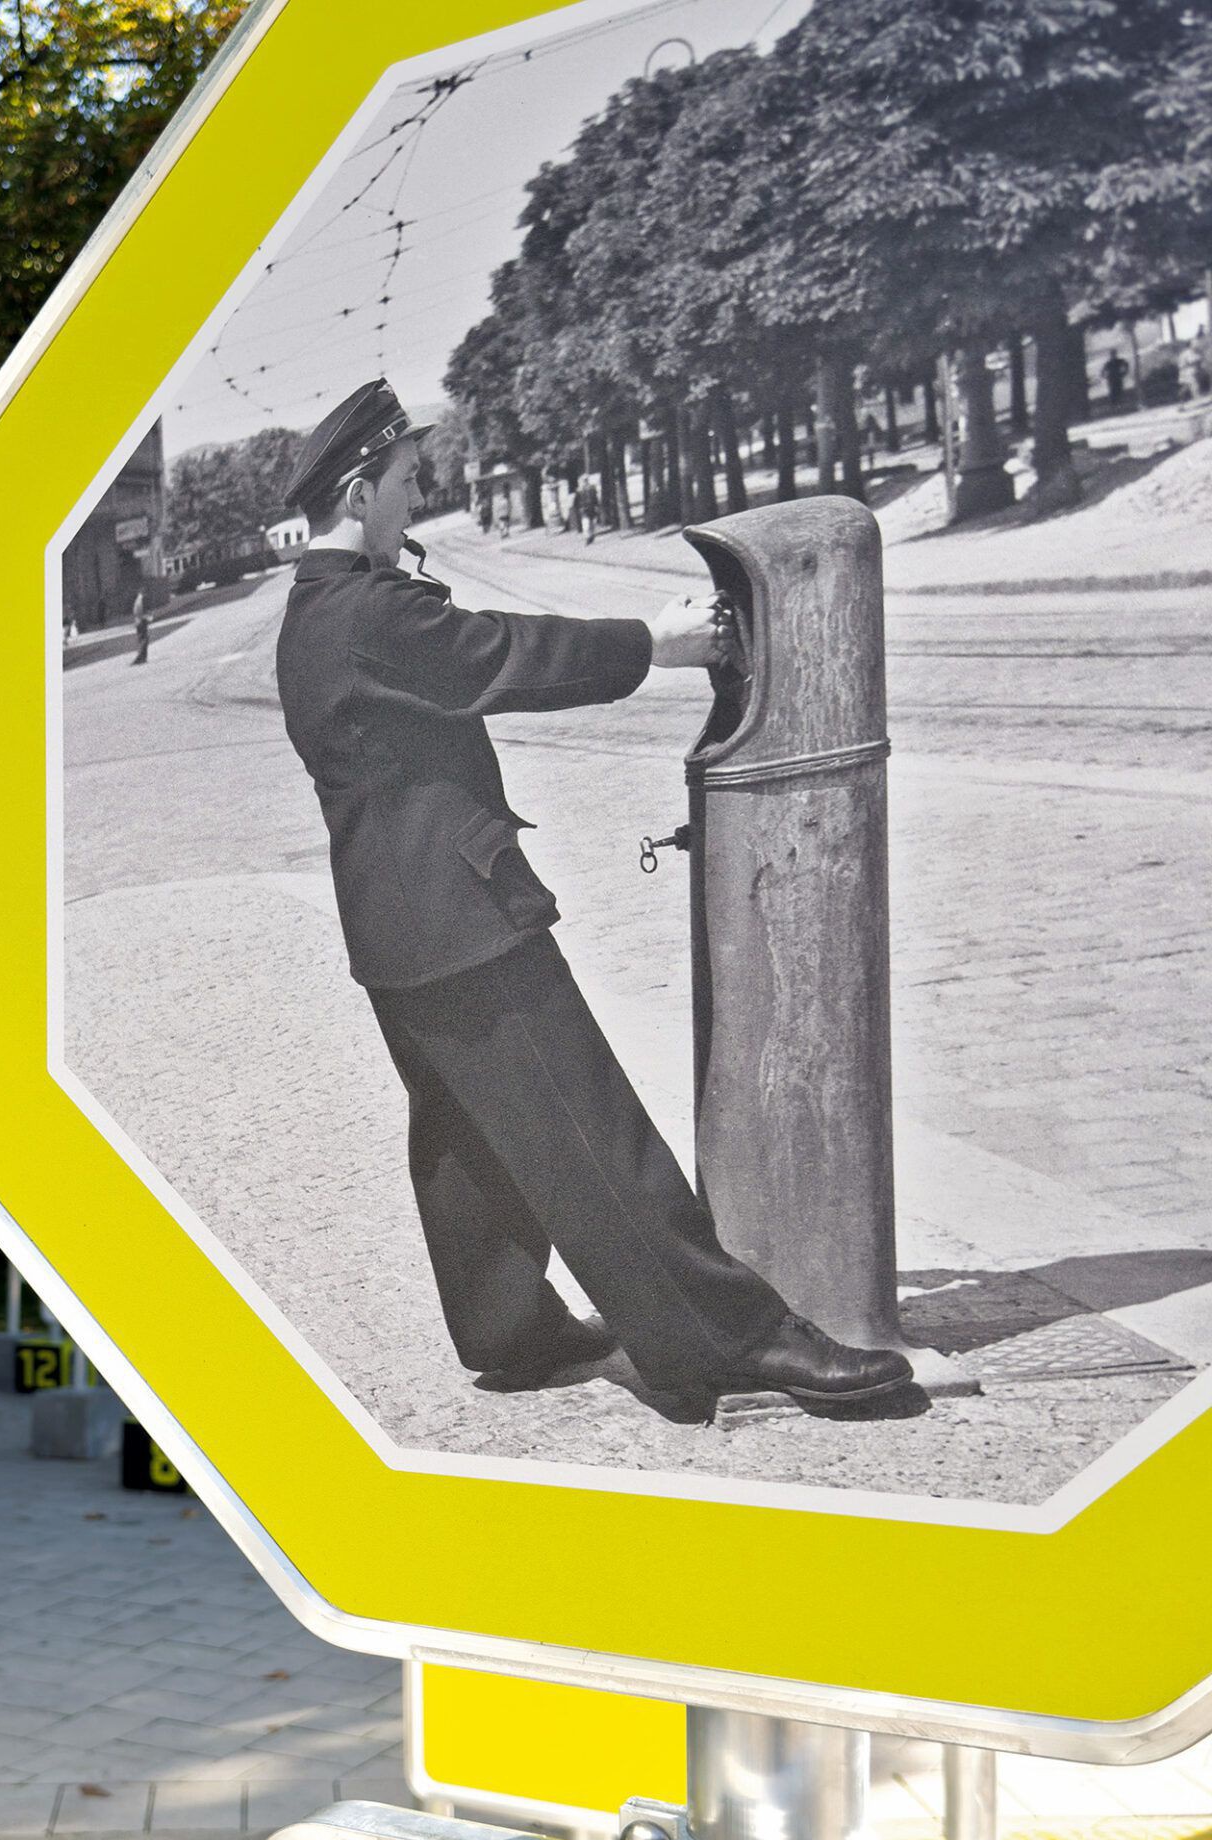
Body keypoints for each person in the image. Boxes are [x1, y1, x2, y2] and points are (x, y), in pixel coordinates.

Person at [272, 379, 912, 1424]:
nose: (418, 490)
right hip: (459, 920)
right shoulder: (369, 613)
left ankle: (507, 1329)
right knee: (590, 1131)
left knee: (462, 1131)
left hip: (395, 927)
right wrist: (653, 644)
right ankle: (727, 1338)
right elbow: (500, 656)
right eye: (403, 477)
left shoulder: (314, 612)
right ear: (357, 488)